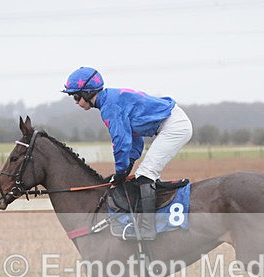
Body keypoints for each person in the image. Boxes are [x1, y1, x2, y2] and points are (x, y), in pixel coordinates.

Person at [61, 66, 193, 240]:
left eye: (76, 96)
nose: (76, 101)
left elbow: (121, 141)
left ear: (87, 92)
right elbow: (134, 138)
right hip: (171, 122)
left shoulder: (110, 106)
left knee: (146, 174)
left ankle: (147, 229)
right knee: (143, 175)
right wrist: (128, 165)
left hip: (174, 126)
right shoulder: (110, 100)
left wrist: (121, 171)